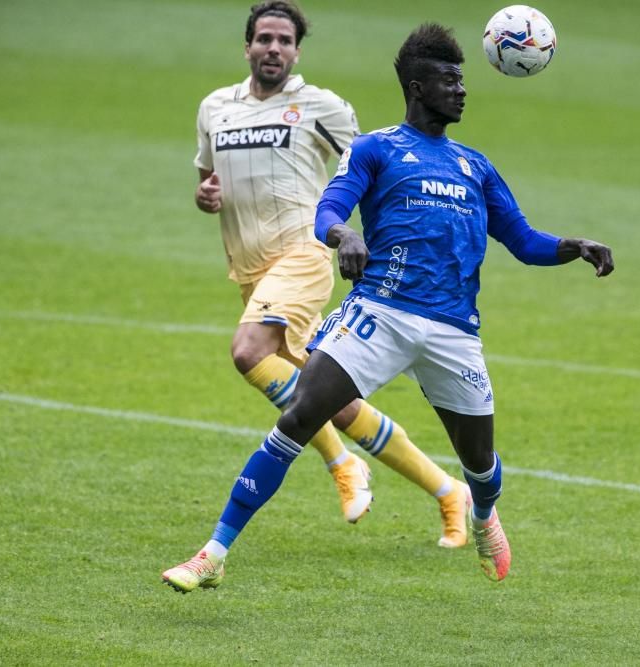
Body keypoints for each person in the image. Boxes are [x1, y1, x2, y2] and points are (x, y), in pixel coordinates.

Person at [163, 21, 614, 591]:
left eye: (462, 79)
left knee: (481, 465)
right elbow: (329, 208)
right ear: (419, 88)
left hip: (454, 330)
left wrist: (573, 247)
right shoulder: (376, 149)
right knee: (298, 417)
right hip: (380, 313)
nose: (462, 89)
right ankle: (213, 554)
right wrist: (344, 237)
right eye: (450, 80)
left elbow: (523, 242)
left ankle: (481, 515)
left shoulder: (476, 166)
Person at [188, 1, 471, 551]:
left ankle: (342, 464)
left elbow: (374, 168)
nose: (274, 48)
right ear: (247, 46)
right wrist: (206, 196)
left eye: (285, 41)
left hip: (303, 255)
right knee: (334, 401)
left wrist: (362, 236)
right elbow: (208, 179)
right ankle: (447, 490)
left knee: (249, 352)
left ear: (296, 51)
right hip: (251, 266)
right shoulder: (215, 108)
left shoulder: (321, 107)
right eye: (264, 39)